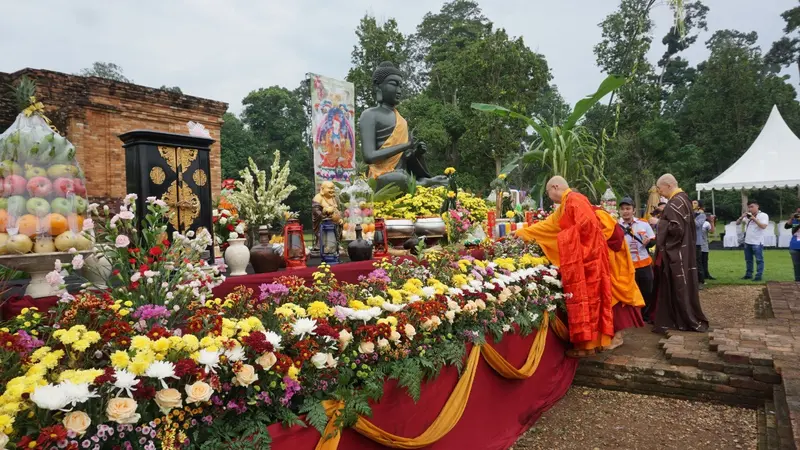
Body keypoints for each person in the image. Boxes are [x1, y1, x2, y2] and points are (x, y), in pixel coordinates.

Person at [515, 177, 644, 356]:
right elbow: (548, 227)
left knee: (595, 303)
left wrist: (567, 241)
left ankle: (596, 344)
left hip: (597, 259)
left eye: (548, 192)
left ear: (554, 187)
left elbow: (588, 229)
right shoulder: (566, 205)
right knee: (586, 304)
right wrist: (521, 233)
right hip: (586, 259)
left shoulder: (575, 201)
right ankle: (592, 345)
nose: (549, 196)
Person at [652, 174, 709, 333]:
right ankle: (680, 317)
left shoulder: (675, 202)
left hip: (678, 253)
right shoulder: (685, 200)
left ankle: (682, 319)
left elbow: (676, 230)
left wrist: (659, 224)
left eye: (660, 188)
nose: (659, 192)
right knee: (681, 284)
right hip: (685, 250)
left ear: (668, 185)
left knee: (678, 285)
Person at [619, 197, 656, 322]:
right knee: (629, 292)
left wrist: (649, 242)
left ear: (633, 210)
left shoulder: (643, 224)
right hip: (627, 265)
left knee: (647, 290)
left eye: (628, 209)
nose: (625, 212)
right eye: (623, 209)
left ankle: (645, 316)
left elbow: (653, 240)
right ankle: (632, 317)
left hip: (644, 262)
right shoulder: (616, 226)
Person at [736, 201, 769, 282]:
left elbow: (763, 226)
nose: (750, 209)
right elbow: (737, 223)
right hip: (747, 241)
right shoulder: (747, 216)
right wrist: (742, 217)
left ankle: (758, 276)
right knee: (748, 260)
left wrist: (754, 219)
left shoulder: (763, 215)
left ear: (757, 206)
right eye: (749, 207)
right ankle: (748, 274)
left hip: (757, 241)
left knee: (759, 260)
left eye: (752, 206)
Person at [693, 200, 707, 287]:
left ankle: (700, 281)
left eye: (695, 203)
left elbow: (697, 225)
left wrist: (692, 216)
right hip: (688, 241)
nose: (692, 204)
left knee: (697, 261)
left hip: (696, 242)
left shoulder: (702, 215)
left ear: (699, 206)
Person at [785, 208, 800, 282]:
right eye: (798, 212)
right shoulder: (795, 220)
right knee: (796, 265)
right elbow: (786, 226)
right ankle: (797, 281)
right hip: (795, 245)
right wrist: (791, 218)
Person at [701, 214, 716, 280]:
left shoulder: (706, 223)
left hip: (704, 245)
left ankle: (706, 274)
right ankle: (701, 275)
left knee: (705, 260)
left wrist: (712, 222)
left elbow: (712, 231)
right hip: (696, 245)